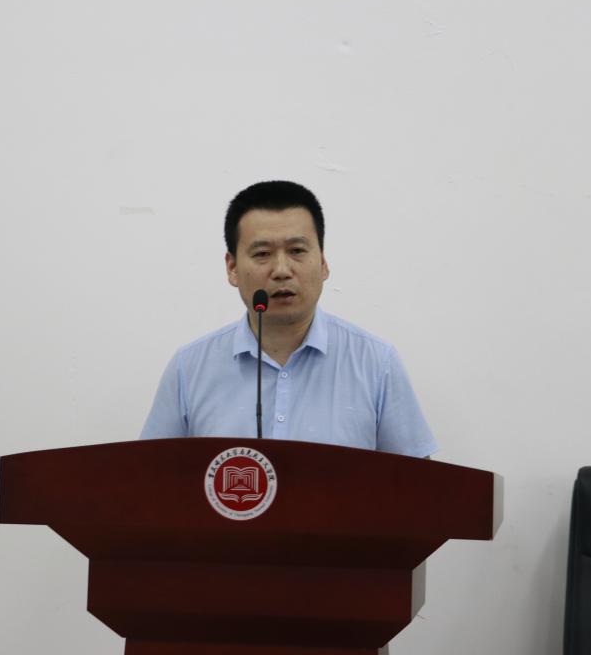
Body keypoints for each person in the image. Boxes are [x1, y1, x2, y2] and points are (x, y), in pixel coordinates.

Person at [140, 181, 437, 457]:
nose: (281, 270)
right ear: (232, 268)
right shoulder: (189, 368)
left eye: (297, 251)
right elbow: (152, 477)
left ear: (323, 263)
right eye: (262, 254)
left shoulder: (376, 362)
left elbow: (417, 484)